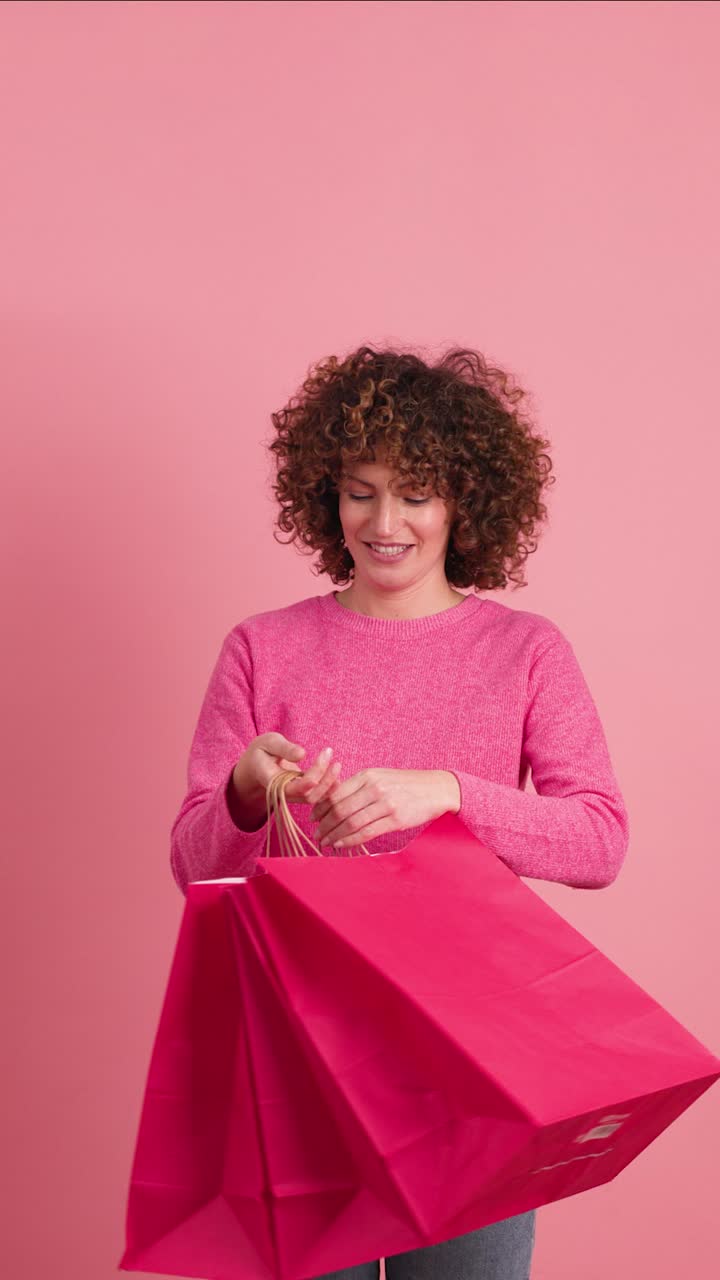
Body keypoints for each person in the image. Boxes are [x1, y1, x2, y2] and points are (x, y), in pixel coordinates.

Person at [170, 343, 630, 1280]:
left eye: (415, 494)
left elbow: (599, 839)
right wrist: (246, 796)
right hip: (301, 1059)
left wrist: (453, 792)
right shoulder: (263, 648)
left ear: (464, 504)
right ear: (325, 496)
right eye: (360, 491)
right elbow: (192, 866)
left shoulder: (525, 651)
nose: (384, 523)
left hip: (472, 1062)